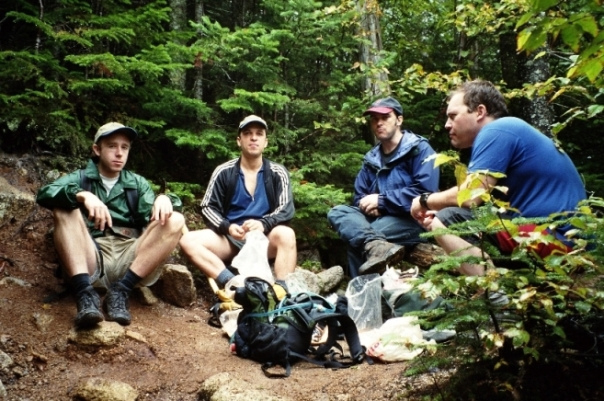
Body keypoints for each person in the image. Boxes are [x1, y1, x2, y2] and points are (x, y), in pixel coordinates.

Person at [410, 80, 587, 276]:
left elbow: (470, 196)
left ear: (480, 111)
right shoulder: (509, 131)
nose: (447, 124)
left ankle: (492, 297)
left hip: (558, 243)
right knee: (457, 221)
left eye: (453, 116)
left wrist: (425, 201)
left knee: (448, 219)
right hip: (563, 241)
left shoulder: (498, 130)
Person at [37, 122, 185, 328]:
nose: (119, 153)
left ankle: (121, 291)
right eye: (112, 146)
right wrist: (81, 195)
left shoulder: (137, 183)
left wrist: (165, 199)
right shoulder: (80, 178)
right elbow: (44, 194)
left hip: (130, 259)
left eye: (124, 147)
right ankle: (85, 296)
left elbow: (151, 214)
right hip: (91, 257)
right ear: (97, 149)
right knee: (63, 207)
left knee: (176, 219)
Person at [179, 115, 296, 293]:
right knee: (188, 240)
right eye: (248, 133)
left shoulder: (277, 173)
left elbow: (285, 209)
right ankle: (232, 283)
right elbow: (208, 207)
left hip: (264, 241)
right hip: (230, 241)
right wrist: (227, 227)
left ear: (266, 142)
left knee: (286, 234)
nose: (254, 137)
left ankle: (282, 292)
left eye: (259, 133)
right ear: (239, 141)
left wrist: (263, 224)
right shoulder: (224, 172)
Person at [327, 97, 440, 277]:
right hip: (377, 218)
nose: (378, 123)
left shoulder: (419, 149)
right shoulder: (371, 158)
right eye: (374, 119)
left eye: (385, 117)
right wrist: (370, 207)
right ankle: (370, 288)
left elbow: (425, 193)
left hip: (412, 220)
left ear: (399, 119)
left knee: (358, 242)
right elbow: (359, 197)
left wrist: (382, 201)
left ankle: (364, 298)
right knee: (338, 212)